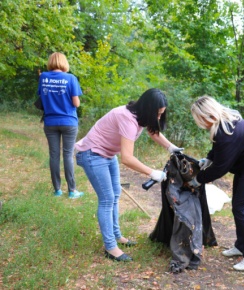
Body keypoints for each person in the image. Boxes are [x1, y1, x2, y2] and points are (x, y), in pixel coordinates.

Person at [75, 88, 182, 262]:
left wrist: (171, 147)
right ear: (148, 108)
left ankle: (117, 236)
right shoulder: (127, 119)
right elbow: (127, 158)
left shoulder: (141, 115)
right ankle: (110, 247)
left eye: (161, 114)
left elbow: (153, 131)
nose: (159, 118)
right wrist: (152, 172)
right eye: (157, 113)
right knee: (107, 199)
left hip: (107, 154)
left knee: (115, 194)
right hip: (92, 154)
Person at [188, 96, 244, 271]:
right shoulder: (223, 124)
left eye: (200, 119)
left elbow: (220, 168)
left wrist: (198, 179)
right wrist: (208, 159)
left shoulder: (228, 131)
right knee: (238, 207)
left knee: (243, 210)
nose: (200, 124)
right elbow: (218, 150)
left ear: (208, 116)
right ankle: (242, 245)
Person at [37, 52, 84, 199]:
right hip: (69, 121)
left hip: (50, 122)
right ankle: (72, 191)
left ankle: (57, 190)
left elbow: (42, 97)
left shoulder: (43, 77)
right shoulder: (70, 78)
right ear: (64, 63)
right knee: (68, 155)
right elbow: (76, 103)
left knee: (54, 155)